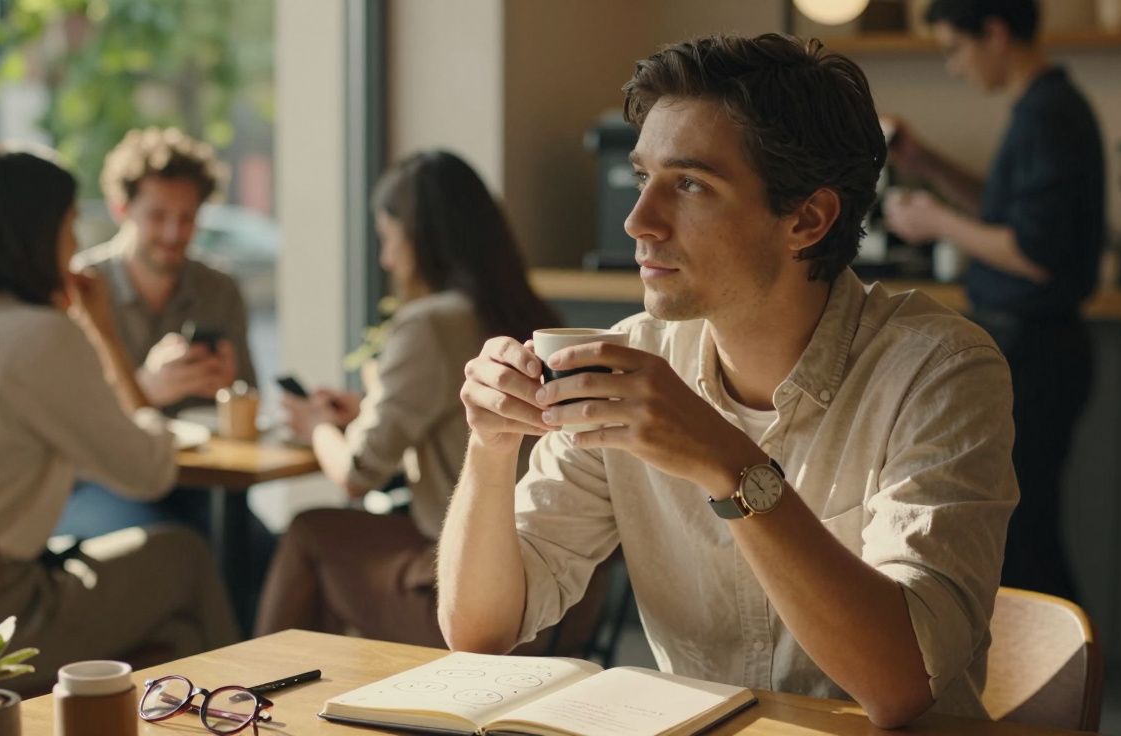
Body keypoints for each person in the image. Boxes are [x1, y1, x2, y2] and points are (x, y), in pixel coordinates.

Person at [438, 34, 1018, 728]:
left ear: (807, 218)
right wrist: (491, 447)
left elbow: (898, 688)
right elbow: (479, 633)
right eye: (642, 177)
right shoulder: (632, 359)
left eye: (688, 185)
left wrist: (730, 466)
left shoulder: (939, 370)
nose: (637, 220)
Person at [0, 143, 238, 694]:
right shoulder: (41, 336)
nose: (75, 247)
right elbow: (150, 473)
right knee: (186, 557)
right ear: (38, 233)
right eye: (70, 226)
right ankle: (238, 711)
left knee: (175, 623)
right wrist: (103, 334)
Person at [255, 151, 606, 652]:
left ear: (418, 239)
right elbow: (452, 417)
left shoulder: (429, 324)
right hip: (559, 601)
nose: (386, 259)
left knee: (310, 533)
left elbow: (358, 471)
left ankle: (253, 695)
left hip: (472, 592)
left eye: (388, 238)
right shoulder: (530, 314)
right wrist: (362, 411)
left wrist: (316, 426)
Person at [882, 0, 1103, 602]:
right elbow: (1005, 213)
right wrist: (924, 163)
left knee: (1024, 533)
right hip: (1035, 346)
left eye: (955, 48)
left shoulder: (1049, 114)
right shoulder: (1041, 109)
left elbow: (1035, 252)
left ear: (997, 34)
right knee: (1022, 525)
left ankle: (1056, 677)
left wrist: (935, 222)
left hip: (1037, 351)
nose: (954, 67)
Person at [54, 128, 273, 631]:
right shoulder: (81, 285)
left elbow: (249, 401)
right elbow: (68, 419)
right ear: (121, 209)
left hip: (198, 482)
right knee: (194, 558)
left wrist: (229, 389)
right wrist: (146, 390)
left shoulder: (217, 288)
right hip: (97, 484)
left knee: (270, 558)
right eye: (158, 216)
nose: (174, 233)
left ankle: (253, 692)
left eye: (188, 218)